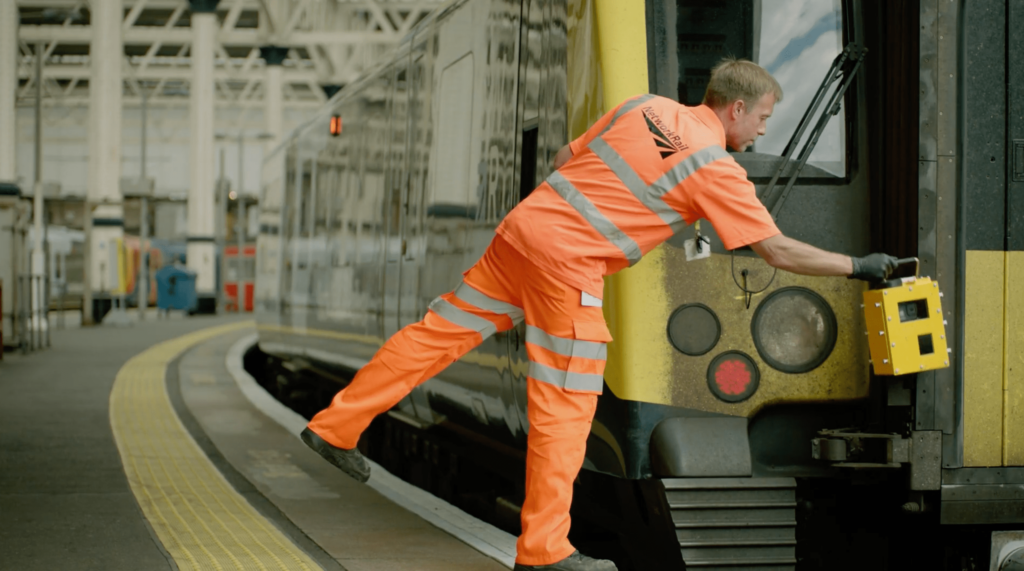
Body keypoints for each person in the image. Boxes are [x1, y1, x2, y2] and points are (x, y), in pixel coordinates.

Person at [299, 57, 898, 571]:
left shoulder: (645, 107)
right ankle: (543, 550)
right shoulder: (714, 168)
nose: (764, 130)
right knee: (566, 401)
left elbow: (567, 155)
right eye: (764, 117)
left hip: (524, 231)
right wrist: (859, 265)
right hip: (567, 268)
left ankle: (334, 428)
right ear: (736, 108)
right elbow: (776, 249)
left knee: (437, 335)